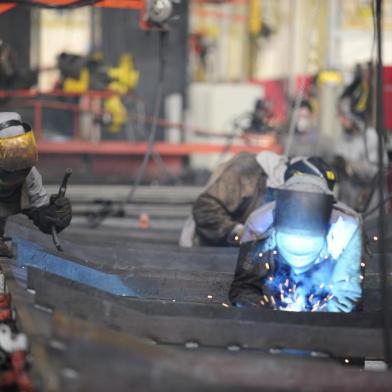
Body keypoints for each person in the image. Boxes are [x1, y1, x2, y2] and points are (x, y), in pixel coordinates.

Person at [229, 174, 363, 313]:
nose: (299, 255)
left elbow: (346, 295)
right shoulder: (260, 225)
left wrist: (319, 320)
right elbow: (244, 287)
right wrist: (264, 312)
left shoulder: (346, 228)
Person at [179, 151, 336, 247]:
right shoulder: (247, 172)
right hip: (207, 250)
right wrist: (239, 233)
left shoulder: (309, 191)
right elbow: (204, 209)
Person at [0, 112, 72, 256]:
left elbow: (42, 214)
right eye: (10, 153)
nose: (16, 164)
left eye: (21, 151)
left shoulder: (29, 175)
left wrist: (56, 214)